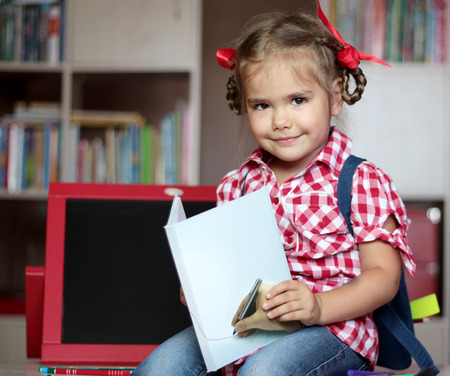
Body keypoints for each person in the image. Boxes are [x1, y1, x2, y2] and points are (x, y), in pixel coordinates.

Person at [131, 2, 415, 375]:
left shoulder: (360, 181)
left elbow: (383, 278)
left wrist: (318, 306)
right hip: (249, 330)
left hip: (334, 329)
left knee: (265, 372)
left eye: (298, 100)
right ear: (245, 106)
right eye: (262, 105)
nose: (280, 120)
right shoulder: (239, 184)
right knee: (161, 367)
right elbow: (228, 268)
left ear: (333, 96)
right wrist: (204, 292)